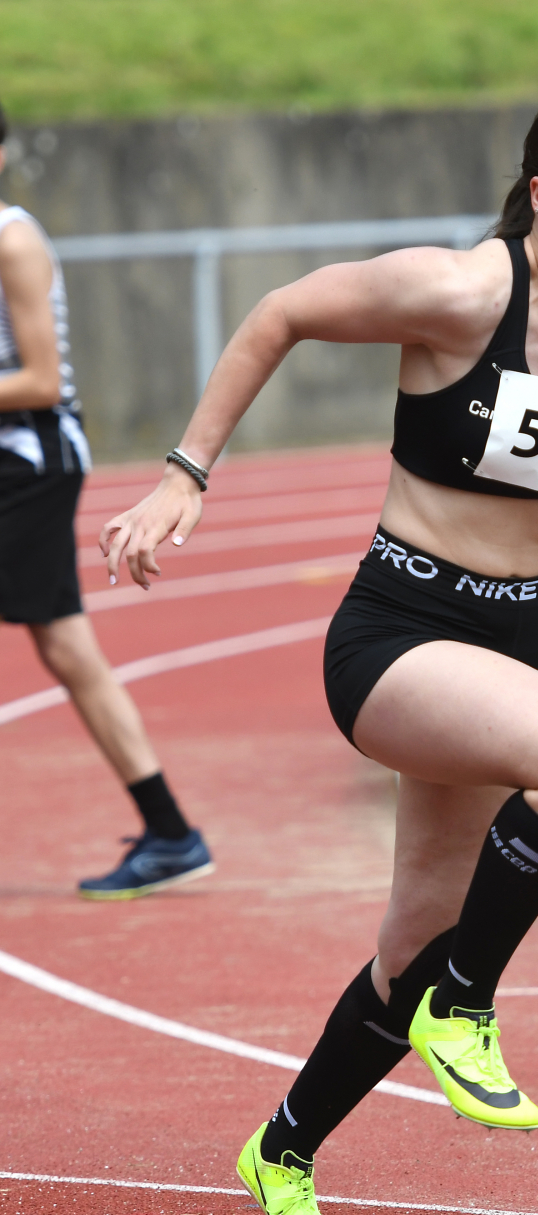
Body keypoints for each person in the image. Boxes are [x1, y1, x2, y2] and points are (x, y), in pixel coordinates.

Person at [101, 91, 538, 1213]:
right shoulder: (463, 290)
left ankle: (283, 1147)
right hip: (403, 633)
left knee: (416, 931)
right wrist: (187, 472)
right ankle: (464, 1006)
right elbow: (280, 312)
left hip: (519, 641)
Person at [0, 102, 214, 900]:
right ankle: (170, 831)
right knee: (67, 647)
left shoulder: (12, 240)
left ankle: (172, 832)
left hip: (31, 460)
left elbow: (41, 379)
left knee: (67, 645)